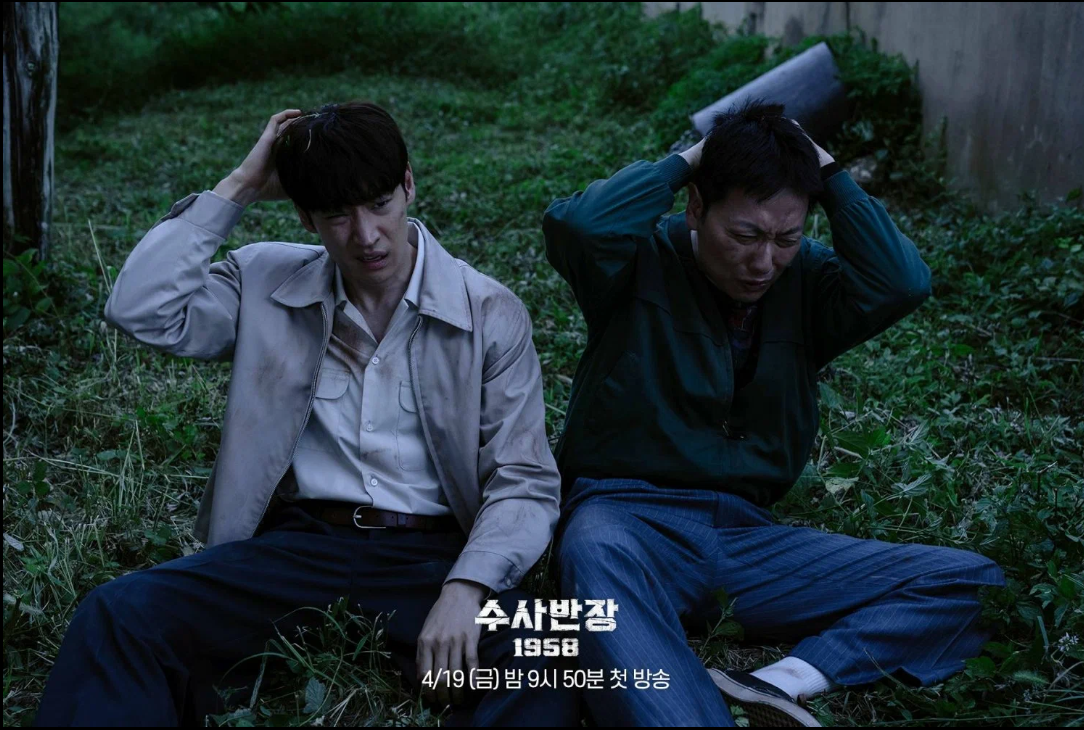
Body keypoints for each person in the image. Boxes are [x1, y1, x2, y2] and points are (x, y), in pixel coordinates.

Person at [35, 102, 577, 727]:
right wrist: (240, 185)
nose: (366, 235)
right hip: (298, 552)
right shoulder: (266, 280)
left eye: (379, 204)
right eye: (336, 215)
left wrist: (468, 586)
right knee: (120, 613)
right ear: (304, 215)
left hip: (433, 559)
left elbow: (522, 478)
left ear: (408, 184)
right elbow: (140, 310)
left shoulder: (488, 311)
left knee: (552, 651)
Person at [544, 101, 1005, 727]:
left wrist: (829, 175)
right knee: (593, 562)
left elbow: (901, 283)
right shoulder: (635, 260)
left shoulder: (808, 282)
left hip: (750, 541)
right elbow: (580, 226)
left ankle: (776, 682)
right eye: (745, 236)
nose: (764, 263)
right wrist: (692, 158)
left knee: (973, 582)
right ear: (696, 207)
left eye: (786, 238)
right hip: (625, 521)